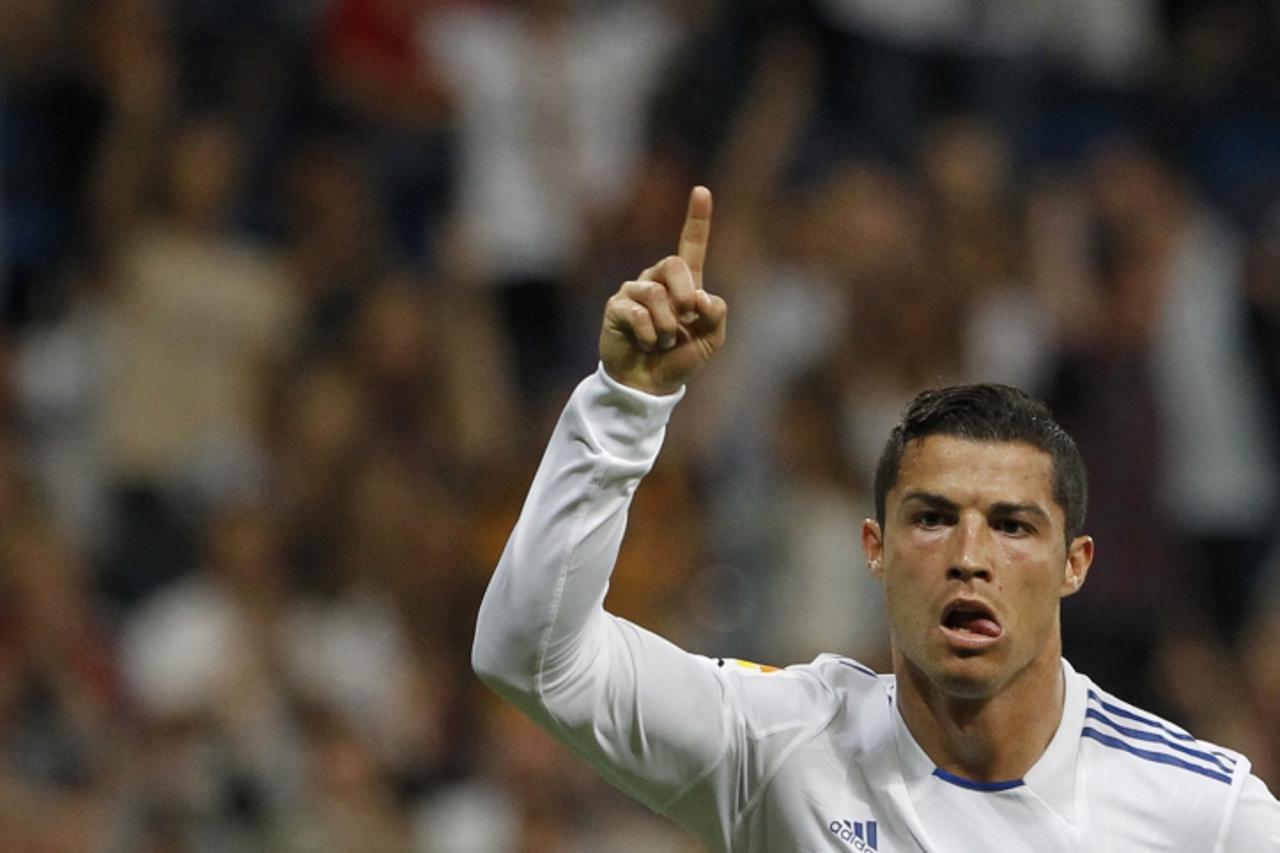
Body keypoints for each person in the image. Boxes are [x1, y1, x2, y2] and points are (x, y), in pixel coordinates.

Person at [472, 187, 1280, 850]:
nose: (970, 554)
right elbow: (530, 656)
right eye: (932, 518)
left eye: (1012, 525)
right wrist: (625, 405)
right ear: (876, 549)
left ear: (1076, 563)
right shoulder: (778, 744)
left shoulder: (1203, 812)